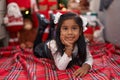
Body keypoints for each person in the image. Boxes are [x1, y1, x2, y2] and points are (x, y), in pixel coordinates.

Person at [33, 12, 93, 77]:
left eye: (74, 28)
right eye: (65, 28)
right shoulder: (54, 45)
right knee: (36, 47)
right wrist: (68, 48)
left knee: (51, 37)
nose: (70, 32)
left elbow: (88, 58)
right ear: (60, 31)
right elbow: (61, 67)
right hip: (42, 49)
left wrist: (86, 66)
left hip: (56, 39)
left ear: (80, 31)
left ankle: (52, 25)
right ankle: (42, 28)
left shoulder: (82, 42)